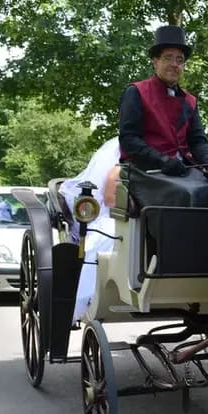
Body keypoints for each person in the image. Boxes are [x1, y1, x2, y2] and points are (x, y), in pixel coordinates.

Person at [118, 25, 208, 180]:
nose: (174, 64)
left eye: (180, 60)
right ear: (155, 62)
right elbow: (129, 140)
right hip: (146, 170)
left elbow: (197, 141)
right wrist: (163, 160)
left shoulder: (190, 101)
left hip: (185, 170)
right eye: (168, 58)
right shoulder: (136, 92)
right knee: (187, 196)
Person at [59, 136, 121, 322]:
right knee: (108, 234)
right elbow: (110, 200)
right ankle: (83, 298)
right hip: (117, 215)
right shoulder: (119, 165)